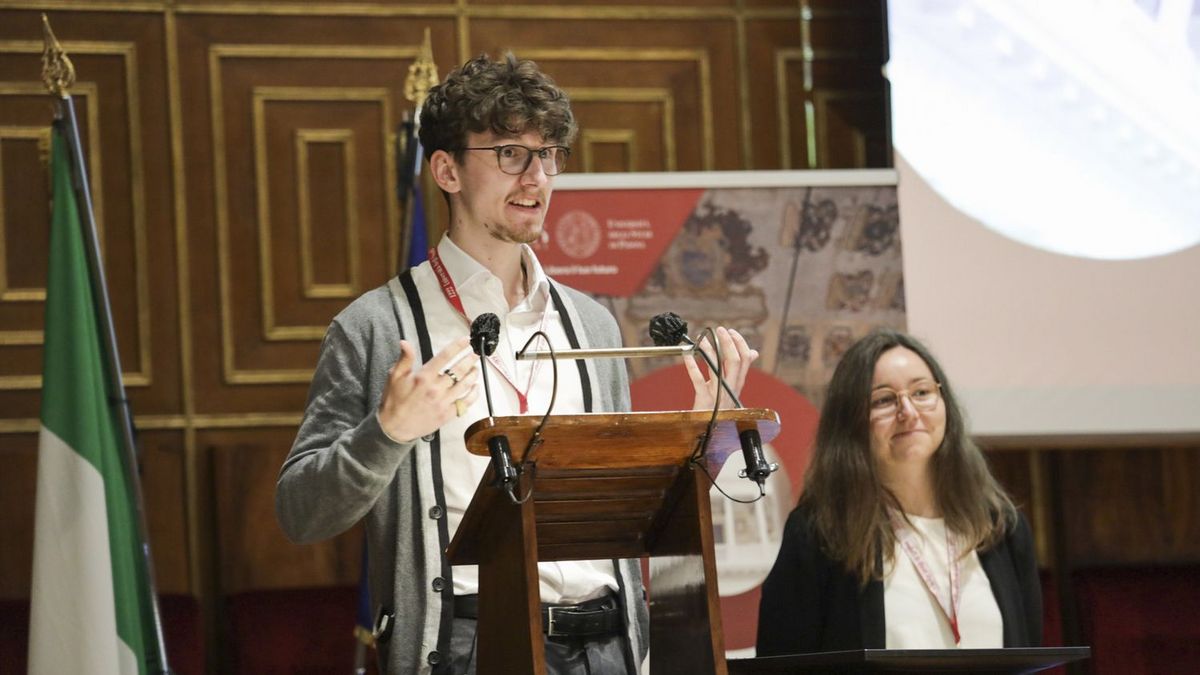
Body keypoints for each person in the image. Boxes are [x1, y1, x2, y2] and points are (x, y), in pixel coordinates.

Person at [275, 52, 757, 675]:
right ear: (446, 169)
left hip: (607, 645)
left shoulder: (591, 323)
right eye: (509, 154)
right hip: (468, 645)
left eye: (548, 153)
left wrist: (699, 437)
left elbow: (630, 508)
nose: (536, 177)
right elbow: (300, 512)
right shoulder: (376, 327)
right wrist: (387, 433)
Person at [757, 328, 1041, 654]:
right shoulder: (819, 535)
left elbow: (1027, 653)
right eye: (884, 400)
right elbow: (780, 661)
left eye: (921, 392)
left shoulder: (1002, 528)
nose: (908, 411)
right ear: (851, 422)